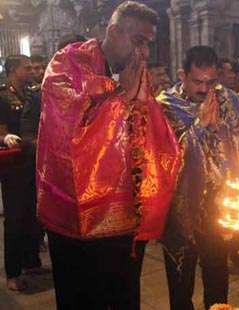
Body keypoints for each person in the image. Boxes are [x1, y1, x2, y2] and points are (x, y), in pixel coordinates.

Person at [36, 2, 181, 308]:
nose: (143, 53)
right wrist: (121, 95)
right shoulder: (69, 61)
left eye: (148, 44)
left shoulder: (137, 74)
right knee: (83, 297)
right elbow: (69, 130)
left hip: (126, 213)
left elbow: (151, 131)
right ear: (114, 32)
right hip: (76, 218)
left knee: (124, 295)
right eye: (138, 42)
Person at [158, 46, 239, 309]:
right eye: (197, 81)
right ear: (182, 75)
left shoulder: (229, 100)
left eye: (211, 82)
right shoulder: (165, 105)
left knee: (217, 274)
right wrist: (199, 128)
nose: (204, 88)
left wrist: (221, 130)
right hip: (180, 207)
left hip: (218, 205)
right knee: (180, 283)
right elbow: (166, 157)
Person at [0, 55, 45, 291]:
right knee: (16, 218)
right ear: (12, 70)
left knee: (33, 214)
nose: (31, 71)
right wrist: (4, 137)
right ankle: (13, 272)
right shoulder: (3, 96)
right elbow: (1, 130)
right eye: (26, 68)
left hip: (33, 161)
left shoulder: (31, 93)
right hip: (14, 165)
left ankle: (31, 262)